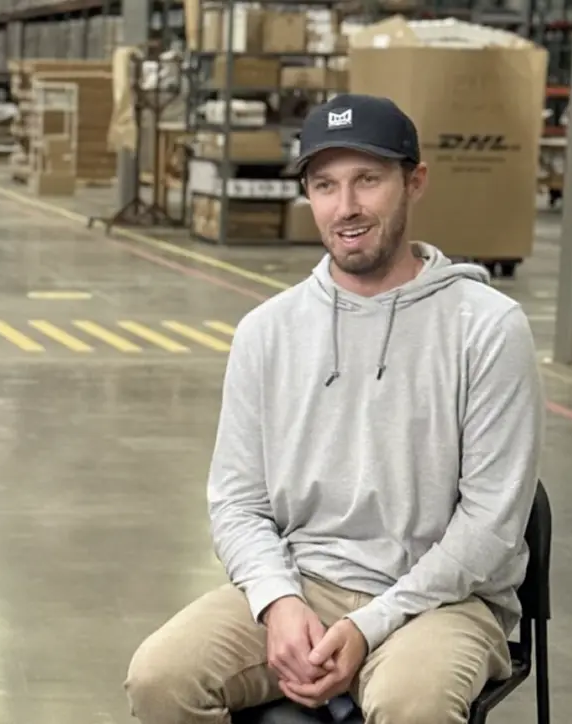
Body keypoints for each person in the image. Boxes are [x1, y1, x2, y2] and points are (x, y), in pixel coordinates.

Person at [123, 93, 544, 724]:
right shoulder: (267, 331)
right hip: (304, 582)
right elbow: (237, 501)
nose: (345, 208)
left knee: (414, 707)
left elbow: (491, 523)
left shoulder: (485, 328)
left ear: (414, 182)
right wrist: (276, 601)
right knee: (159, 680)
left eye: (367, 181)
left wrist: (372, 622)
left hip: (441, 600)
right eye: (324, 186)